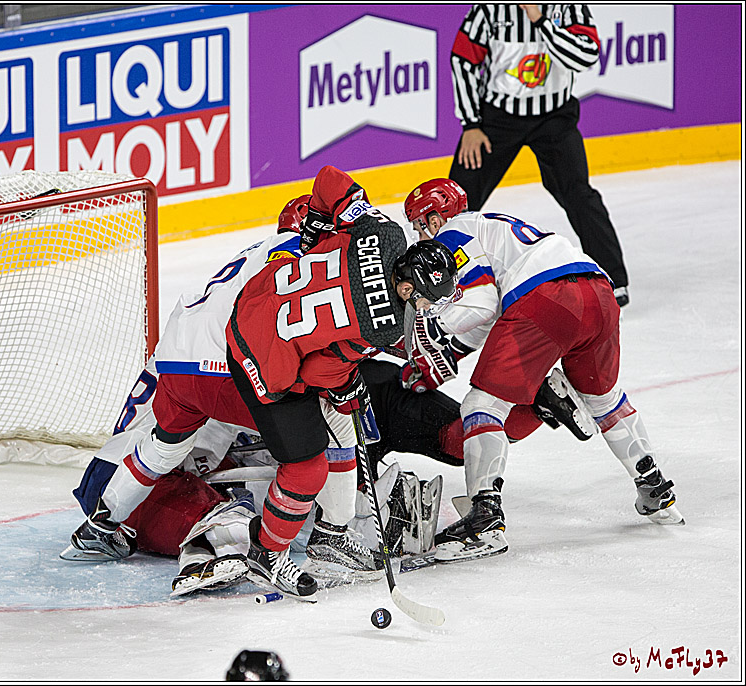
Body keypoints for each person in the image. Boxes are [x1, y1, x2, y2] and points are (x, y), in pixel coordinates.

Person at [61, 192, 382, 599]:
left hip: (149, 431)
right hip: (176, 457)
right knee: (320, 429)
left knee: (224, 451)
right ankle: (322, 539)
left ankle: (101, 526)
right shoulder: (300, 265)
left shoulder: (240, 266)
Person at [399, 177, 683, 563]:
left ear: (436, 216)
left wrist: (434, 322)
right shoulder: (491, 225)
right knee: (604, 401)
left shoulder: (454, 232)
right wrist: (449, 355)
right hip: (597, 292)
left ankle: (484, 522)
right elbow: (491, 316)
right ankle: (655, 488)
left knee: (483, 404)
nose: (420, 235)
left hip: (545, 299)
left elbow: (480, 306)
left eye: (420, 224)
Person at [448, 4, 630, 307]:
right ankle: (435, 275)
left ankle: (613, 277)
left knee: (578, 193)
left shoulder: (568, 8)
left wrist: (540, 19)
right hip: (498, 120)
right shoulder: (490, 10)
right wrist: (471, 124)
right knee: (458, 197)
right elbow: (462, 59)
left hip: (554, 119)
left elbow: (584, 57)